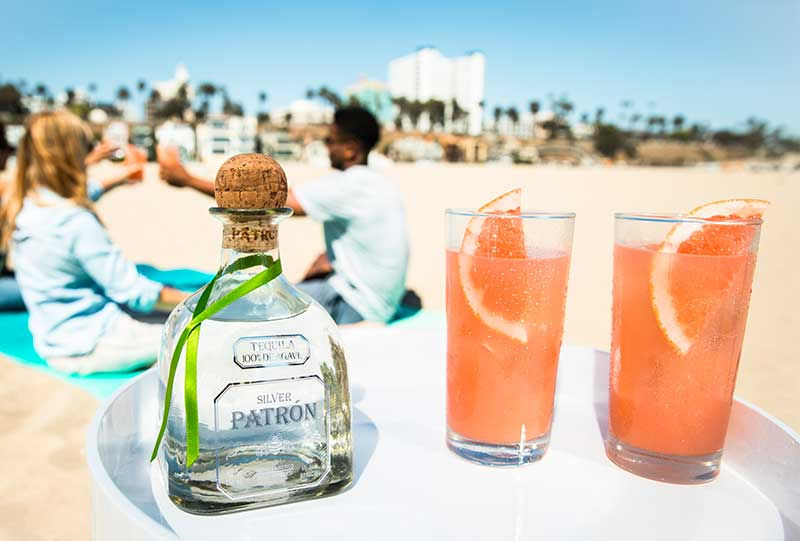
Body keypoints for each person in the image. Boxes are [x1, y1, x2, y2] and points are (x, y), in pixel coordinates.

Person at [159, 106, 409, 324]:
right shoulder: (379, 184)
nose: (327, 147)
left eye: (331, 141)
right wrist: (333, 260)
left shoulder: (350, 184)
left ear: (351, 149)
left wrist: (186, 179)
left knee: (258, 305)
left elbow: (271, 200)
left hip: (358, 305)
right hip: (382, 301)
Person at [0, 111, 186, 375]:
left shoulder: (23, 206)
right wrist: (197, 300)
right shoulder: (75, 221)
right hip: (89, 345)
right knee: (196, 338)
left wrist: (122, 174)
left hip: (53, 341)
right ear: (73, 154)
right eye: (85, 147)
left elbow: (83, 191)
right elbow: (135, 293)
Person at [0, 123, 139, 311]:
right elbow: (53, 198)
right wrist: (86, 162)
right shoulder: (9, 187)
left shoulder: (16, 190)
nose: (9, 152)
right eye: (5, 146)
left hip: (7, 276)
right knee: (70, 288)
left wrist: (116, 174)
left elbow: (55, 198)